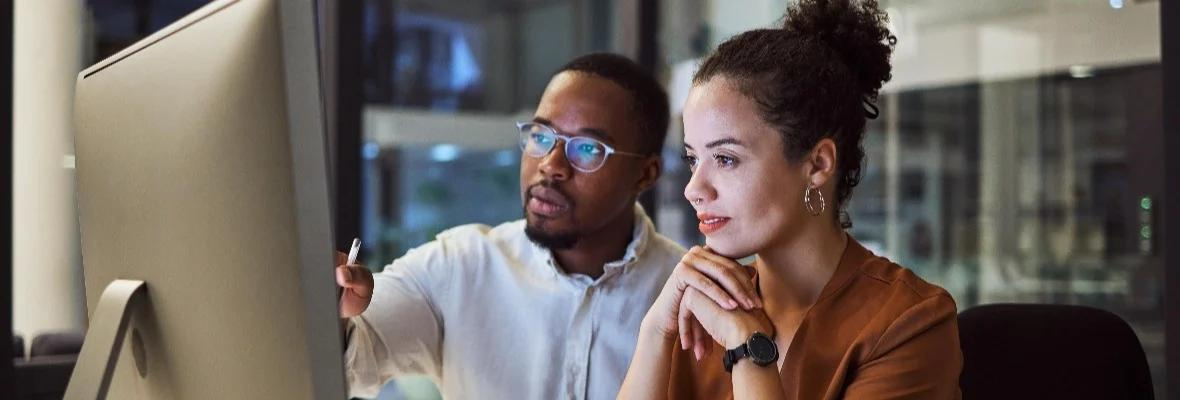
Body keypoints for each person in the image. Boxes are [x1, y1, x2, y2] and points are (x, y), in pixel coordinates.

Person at [618, 1, 963, 398]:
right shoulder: (699, 304)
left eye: (726, 159)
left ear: (817, 164)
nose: (694, 188)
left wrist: (749, 347)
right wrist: (654, 331)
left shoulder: (909, 321)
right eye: (693, 159)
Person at [335, 53, 687, 400]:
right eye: (541, 135)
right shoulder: (461, 266)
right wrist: (339, 313)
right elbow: (350, 364)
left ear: (646, 173)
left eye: (587, 149)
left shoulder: (685, 296)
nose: (551, 165)